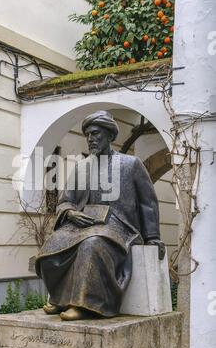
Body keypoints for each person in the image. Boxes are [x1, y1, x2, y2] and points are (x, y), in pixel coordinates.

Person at [35, 111, 165, 321]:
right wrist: (71, 213)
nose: (91, 139)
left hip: (120, 225)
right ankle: (61, 299)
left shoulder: (131, 164)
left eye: (95, 134)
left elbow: (147, 203)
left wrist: (153, 237)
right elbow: (65, 201)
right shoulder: (81, 167)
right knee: (51, 247)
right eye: (87, 135)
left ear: (110, 136)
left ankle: (86, 304)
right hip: (83, 224)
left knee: (92, 244)